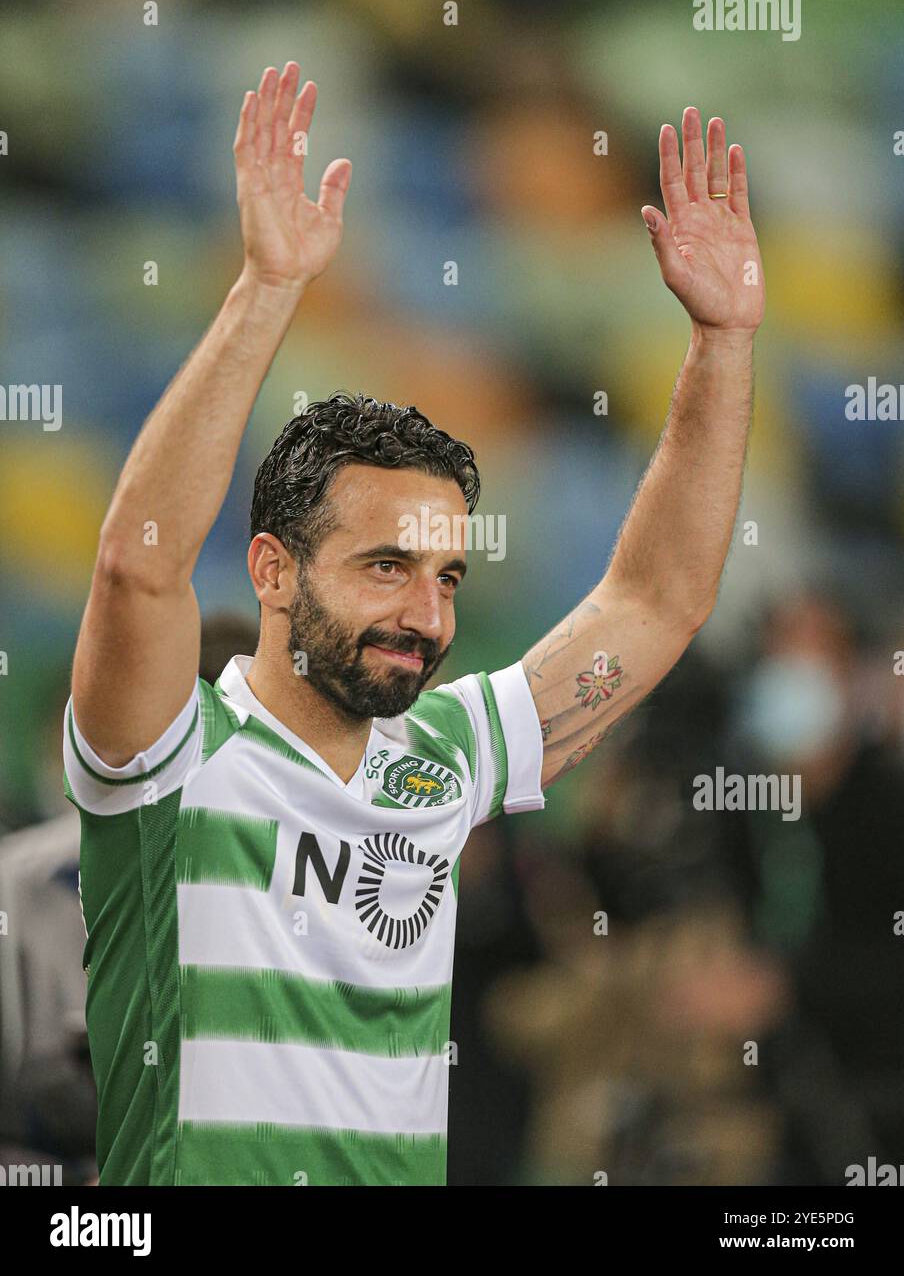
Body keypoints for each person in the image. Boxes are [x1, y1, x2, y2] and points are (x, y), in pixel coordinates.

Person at [63, 62, 764, 1185]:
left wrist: (722, 344)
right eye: (385, 566)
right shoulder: (166, 756)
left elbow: (657, 599)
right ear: (273, 572)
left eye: (446, 575)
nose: (424, 613)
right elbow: (136, 571)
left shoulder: (444, 758)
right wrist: (269, 288)